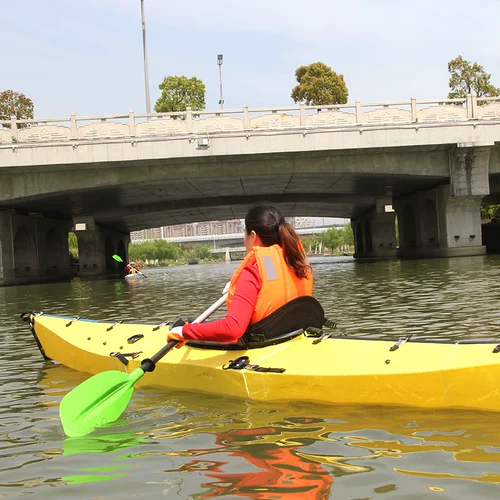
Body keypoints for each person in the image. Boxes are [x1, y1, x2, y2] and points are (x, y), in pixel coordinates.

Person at [168, 202, 313, 346]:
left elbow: (233, 329)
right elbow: (273, 282)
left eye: (245, 233)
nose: (244, 239)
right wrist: (240, 289)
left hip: (264, 345)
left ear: (253, 236)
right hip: (293, 338)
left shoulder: (255, 271)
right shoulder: (295, 263)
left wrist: (184, 331)